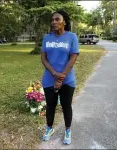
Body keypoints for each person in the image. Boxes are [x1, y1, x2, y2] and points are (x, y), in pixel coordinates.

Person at [41, 10, 79, 145]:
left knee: (66, 105)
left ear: (64, 22)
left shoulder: (72, 37)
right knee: (50, 105)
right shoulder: (47, 38)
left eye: (57, 19)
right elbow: (44, 58)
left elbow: (73, 58)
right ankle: (49, 128)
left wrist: (60, 78)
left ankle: (68, 130)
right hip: (49, 79)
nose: (54, 22)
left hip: (67, 79)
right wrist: (54, 74)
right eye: (52, 20)